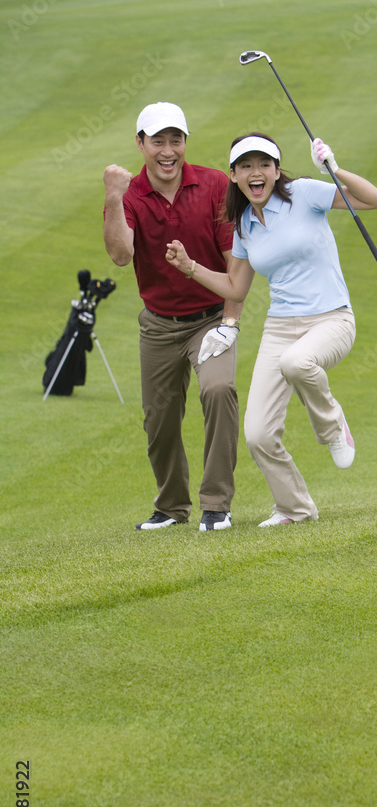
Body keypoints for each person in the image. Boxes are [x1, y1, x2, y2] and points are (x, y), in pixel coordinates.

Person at [165, 132, 377, 527]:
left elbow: (373, 199)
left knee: (297, 362)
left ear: (277, 170)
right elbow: (236, 288)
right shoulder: (245, 224)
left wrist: (334, 169)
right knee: (258, 434)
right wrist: (189, 267)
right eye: (246, 166)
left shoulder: (303, 193)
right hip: (280, 327)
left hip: (332, 318)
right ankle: (295, 509)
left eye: (264, 164)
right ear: (233, 175)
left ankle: (333, 427)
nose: (256, 173)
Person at [103, 102, 244, 531]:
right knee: (159, 418)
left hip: (211, 319)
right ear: (140, 144)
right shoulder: (128, 195)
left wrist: (229, 322)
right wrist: (112, 195)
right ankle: (171, 507)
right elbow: (120, 255)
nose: (168, 150)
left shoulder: (216, 184)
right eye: (158, 141)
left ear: (185, 142)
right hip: (159, 324)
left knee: (219, 391)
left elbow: (235, 260)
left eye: (176, 140)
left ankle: (216, 504)